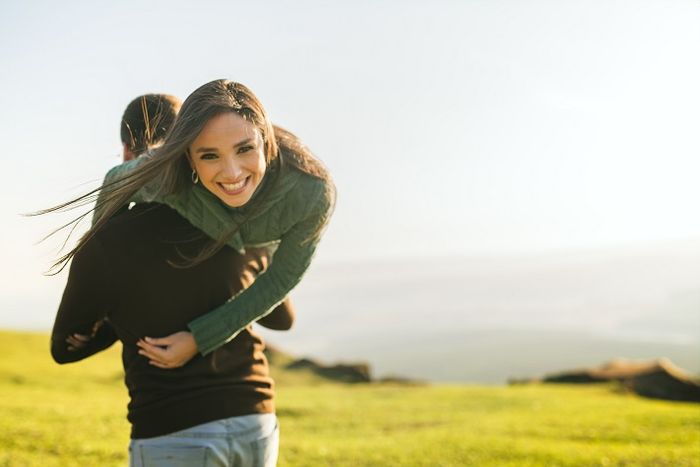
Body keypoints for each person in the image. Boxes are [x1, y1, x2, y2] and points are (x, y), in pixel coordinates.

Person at [47, 79, 334, 465]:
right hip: (253, 417)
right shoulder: (168, 178)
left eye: (245, 148)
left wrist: (199, 337)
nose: (231, 172)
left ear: (265, 141)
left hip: (179, 425)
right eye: (210, 155)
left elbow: (282, 280)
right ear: (189, 158)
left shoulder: (310, 192)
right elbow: (117, 181)